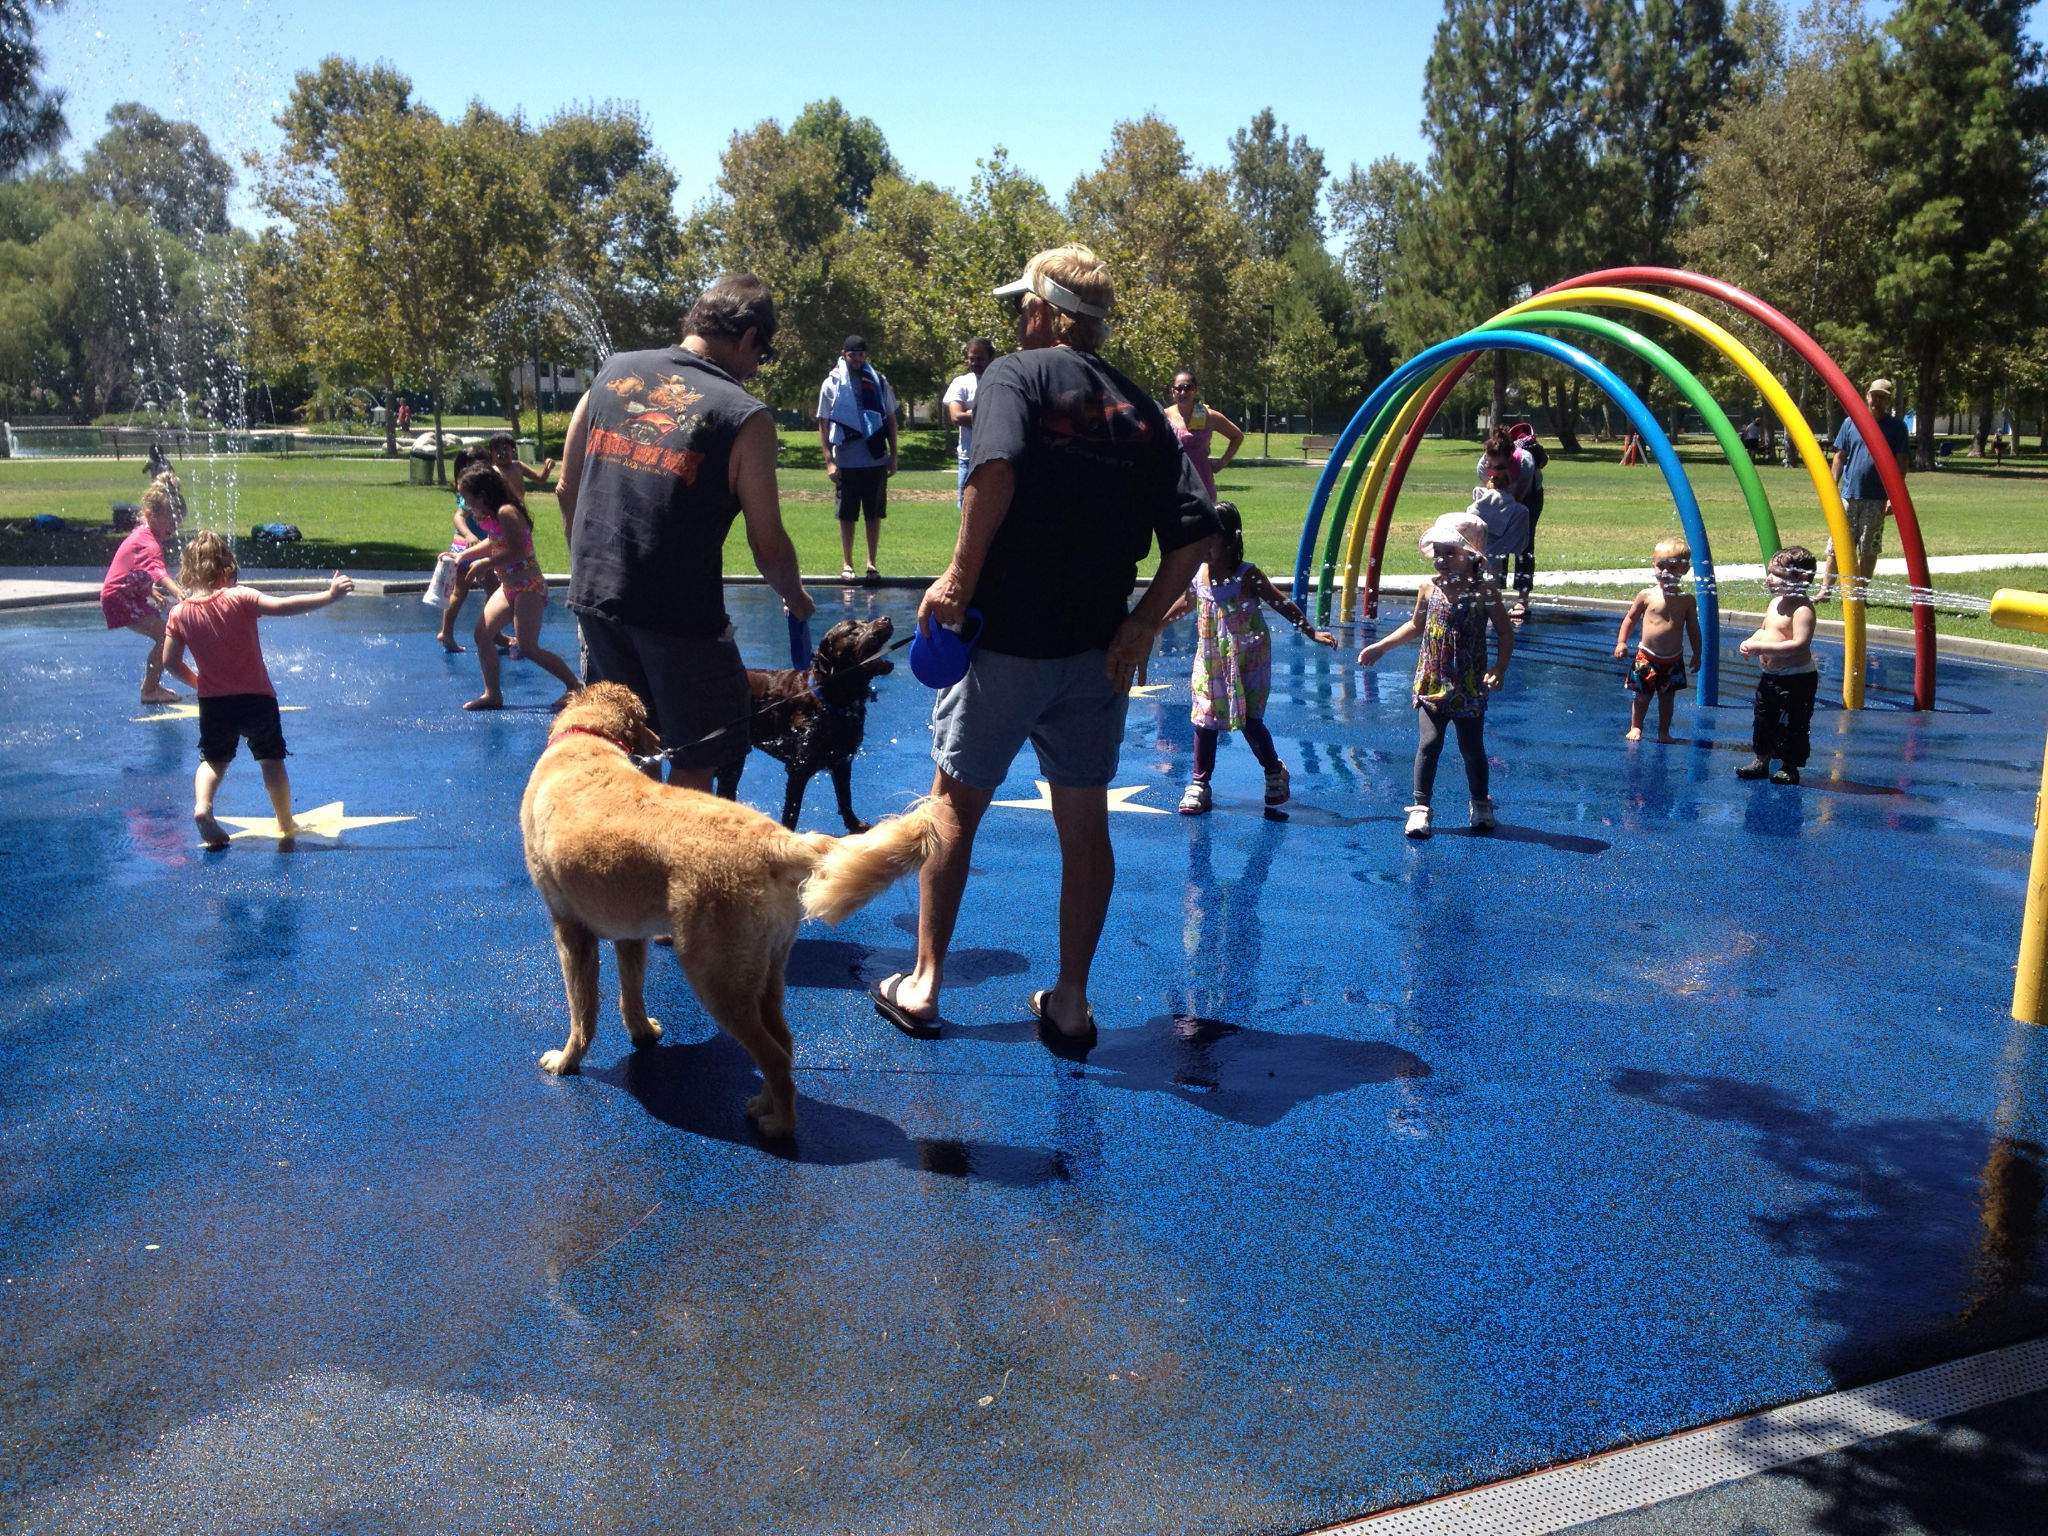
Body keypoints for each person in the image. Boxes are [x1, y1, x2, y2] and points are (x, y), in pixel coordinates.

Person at [866, 244, 1219, 1048]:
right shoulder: (1139, 406)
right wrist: (1141, 625)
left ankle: (922, 985)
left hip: (1006, 644)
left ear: (1047, 312)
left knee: (952, 805)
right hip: (1098, 652)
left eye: (1022, 304)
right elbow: (1196, 535)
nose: (1017, 318)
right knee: (1084, 825)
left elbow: (994, 470)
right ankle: (1069, 1002)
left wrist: (956, 580)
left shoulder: (1012, 377)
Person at [554, 273, 814, 791]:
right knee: (697, 755)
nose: (756, 369)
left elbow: (566, 487)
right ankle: (673, 866)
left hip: (595, 598)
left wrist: (593, 568)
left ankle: (628, 861)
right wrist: (797, 598)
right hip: (678, 614)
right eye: (761, 356)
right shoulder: (744, 416)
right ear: (747, 339)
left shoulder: (611, 372)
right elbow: (768, 545)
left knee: (631, 743)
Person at [160, 530, 354, 849]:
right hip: (257, 699)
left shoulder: (180, 613)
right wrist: (329, 596)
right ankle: (284, 820)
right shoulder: (240, 597)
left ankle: (202, 808)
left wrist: (199, 683)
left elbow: (170, 662)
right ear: (227, 571)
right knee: (271, 760)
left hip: (214, 705)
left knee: (213, 761)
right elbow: (284, 606)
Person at [1160, 500, 1335, 815]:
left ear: (1229, 539)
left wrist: (1311, 632)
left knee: (1249, 721)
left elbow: (1282, 603)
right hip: (1210, 659)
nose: (1201, 546)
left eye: (1209, 538)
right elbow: (1186, 603)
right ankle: (1200, 784)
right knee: (1204, 720)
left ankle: (1273, 771)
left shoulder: (1246, 575)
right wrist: (1153, 626)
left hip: (1247, 661)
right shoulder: (1198, 574)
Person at [1356, 511, 1513, 840]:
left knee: (1472, 748)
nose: (1440, 559)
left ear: (1471, 555)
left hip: (1468, 684)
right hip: (1433, 679)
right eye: (1437, 552)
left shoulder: (1485, 591)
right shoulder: (1429, 588)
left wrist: (1498, 668)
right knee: (1429, 742)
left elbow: (1504, 631)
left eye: (1450, 552)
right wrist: (1381, 647)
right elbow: (1416, 625)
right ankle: (1420, 807)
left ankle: (1480, 803)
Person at [454, 463, 583, 712]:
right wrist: (463, 555)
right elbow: (493, 542)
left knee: (527, 646)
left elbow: (518, 551)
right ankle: (492, 694)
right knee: (482, 635)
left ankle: (574, 684)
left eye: (468, 499)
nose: (467, 505)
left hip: (528, 586)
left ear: (482, 495)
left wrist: (486, 564)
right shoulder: (494, 517)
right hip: (508, 586)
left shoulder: (507, 512)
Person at [1816, 379, 1910, 603]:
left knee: (1869, 546)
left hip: (1876, 498)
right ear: (1867, 396)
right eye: (1874, 395)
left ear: (1887, 400)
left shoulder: (1896, 427)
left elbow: (1901, 462)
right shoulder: (1851, 423)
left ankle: (1858, 595)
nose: (1877, 400)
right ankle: (1826, 590)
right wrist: (1831, 487)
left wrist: (1893, 497)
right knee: (1837, 544)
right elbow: (1839, 456)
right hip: (1848, 495)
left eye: (1882, 397)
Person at [816, 335, 899, 582]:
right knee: (847, 515)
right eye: (853, 355)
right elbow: (823, 423)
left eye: (862, 355)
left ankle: (871, 564)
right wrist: (829, 460)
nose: (858, 359)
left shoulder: (879, 381)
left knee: (873, 514)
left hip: (874, 458)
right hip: (846, 461)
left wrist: (893, 455)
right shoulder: (831, 384)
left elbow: (891, 420)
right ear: (844, 354)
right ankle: (847, 563)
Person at [1737, 545, 1819, 785]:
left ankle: (1790, 766)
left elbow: (1799, 645)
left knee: (1794, 723)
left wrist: (1762, 648)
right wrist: (1751, 641)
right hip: (1770, 676)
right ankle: (1761, 760)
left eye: (1777, 575)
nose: (1768, 579)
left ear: (1801, 579)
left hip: (1797, 679)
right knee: (1763, 719)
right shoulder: (1775, 604)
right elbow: (1765, 629)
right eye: (1770, 572)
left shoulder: (1802, 609)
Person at [101, 472, 185, 703]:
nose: (174, 528)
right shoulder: (149, 543)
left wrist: (150, 591)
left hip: (128, 595)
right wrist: (177, 591)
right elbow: (157, 570)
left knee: (167, 633)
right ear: (150, 514)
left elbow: (133, 568)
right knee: (166, 636)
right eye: (171, 522)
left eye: (178, 523)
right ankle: (149, 689)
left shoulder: (144, 535)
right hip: (120, 598)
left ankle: (152, 686)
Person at [1613, 537, 1702, 743]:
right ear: (1653, 565)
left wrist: (1697, 653)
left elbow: (1693, 629)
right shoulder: (1646, 595)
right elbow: (1630, 618)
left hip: (1673, 659)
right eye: (1660, 566)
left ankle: (1663, 731)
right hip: (1647, 656)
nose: (1665, 572)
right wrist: (1622, 642)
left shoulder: (1687, 600)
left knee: (1667, 698)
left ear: (1685, 570)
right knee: (1642, 696)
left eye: (1672, 567)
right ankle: (1636, 726)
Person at [434, 444, 501, 654]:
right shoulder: (471, 488)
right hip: (469, 546)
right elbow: (459, 516)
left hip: (476, 547)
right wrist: (468, 534)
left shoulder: (479, 486)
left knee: (491, 590)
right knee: (465, 591)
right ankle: (448, 632)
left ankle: (489, 631)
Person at [1477, 425, 1546, 617]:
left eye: (1499, 467)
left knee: (1524, 543)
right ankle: (1495, 596)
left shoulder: (1525, 462)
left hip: (1529, 497)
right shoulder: (1483, 467)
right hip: (1501, 494)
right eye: (1492, 467)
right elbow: (1495, 498)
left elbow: (1517, 501)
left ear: (1510, 459)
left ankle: (1522, 600)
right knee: (1496, 539)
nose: (1494, 471)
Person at [1164, 370, 1243, 504]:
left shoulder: (1207, 415)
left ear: (1195, 390)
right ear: (1173, 391)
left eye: (1187, 388)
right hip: (1173, 486)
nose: (1183, 392)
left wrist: (1221, 463)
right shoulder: (1164, 416)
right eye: (1178, 389)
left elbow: (1237, 436)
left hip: (1203, 487)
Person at [941, 338, 995, 504]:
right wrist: (987, 414)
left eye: (980, 359)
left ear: (991, 358)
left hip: (994, 459)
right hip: (968, 459)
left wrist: (970, 413)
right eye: (972, 358)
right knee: (967, 512)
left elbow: (1005, 417)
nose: (975, 363)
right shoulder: (961, 383)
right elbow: (956, 417)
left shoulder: (1001, 382)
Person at [488, 431, 555, 493]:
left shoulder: (519, 466)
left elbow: (540, 479)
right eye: (497, 449)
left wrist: (547, 468)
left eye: (505, 448)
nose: (502, 452)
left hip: (519, 505)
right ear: (491, 453)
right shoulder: (492, 471)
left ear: (514, 451)